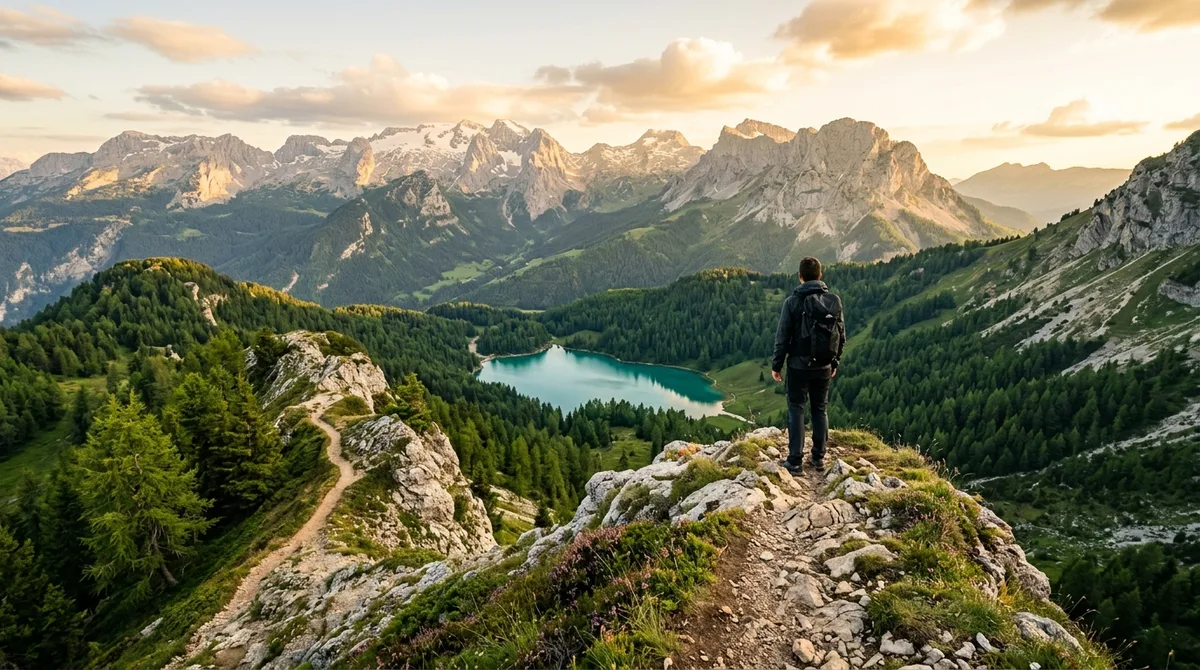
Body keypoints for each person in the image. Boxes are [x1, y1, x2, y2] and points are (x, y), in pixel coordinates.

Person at [771, 257, 845, 475]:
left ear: (800, 277)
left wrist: (777, 365)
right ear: (820, 276)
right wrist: (835, 361)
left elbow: (782, 337)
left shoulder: (792, 302)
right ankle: (818, 458)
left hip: (798, 366)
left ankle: (795, 461)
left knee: (796, 408)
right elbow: (841, 335)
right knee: (820, 408)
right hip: (823, 365)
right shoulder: (834, 300)